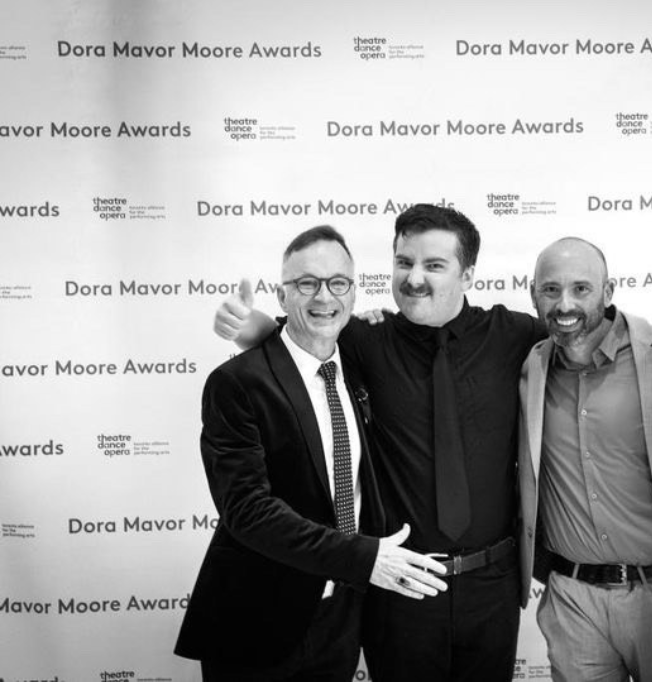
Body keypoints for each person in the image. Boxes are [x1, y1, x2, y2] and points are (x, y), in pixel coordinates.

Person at [214, 206, 547, 682]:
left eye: (434, 265)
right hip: (397, 586)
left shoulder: (516, 335)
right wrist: (258, 330)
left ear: (468, 274)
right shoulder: (365, 339)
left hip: (491, 584)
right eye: (403, 262)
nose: (413, 278)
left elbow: (581, 337)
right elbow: (304, 344)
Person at [176, 225, 448, 681]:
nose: (325, 297)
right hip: (258, 617)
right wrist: (363, 557)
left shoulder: (358, 368)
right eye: (307, 283)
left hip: (342, 616)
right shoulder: (238, 383)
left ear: (354, 291)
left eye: (338, 282)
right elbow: (247, 510)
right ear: (282, 298)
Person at [518, 237, 652, 681]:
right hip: (572, 600)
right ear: (533, 293)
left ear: (608, 291)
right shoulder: (530, 367)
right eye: (550, 289)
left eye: (581, 289)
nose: (564, 304)